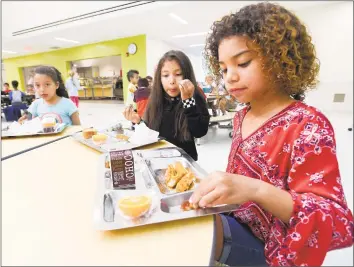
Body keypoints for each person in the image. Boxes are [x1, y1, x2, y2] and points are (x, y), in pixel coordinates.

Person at [189, 3, 353, 266]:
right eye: (223, 68)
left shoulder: (307, 124)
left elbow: (335, 222)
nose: (230, 77)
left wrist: (255, 189)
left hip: (273, 248)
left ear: (280, 57)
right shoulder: (242, 116)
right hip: (235, 221)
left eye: (242, 62)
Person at [123, 50, 210, 161]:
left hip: (184, 163)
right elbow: (151, 132)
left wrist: (188, 101)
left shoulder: (195, 96)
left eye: (178, 74)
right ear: (159, 78)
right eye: (165, 75)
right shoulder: (156, 98)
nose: (172, 81)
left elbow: (199, 132)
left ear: (187, 75)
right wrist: (138, 121)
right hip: (158, 160)